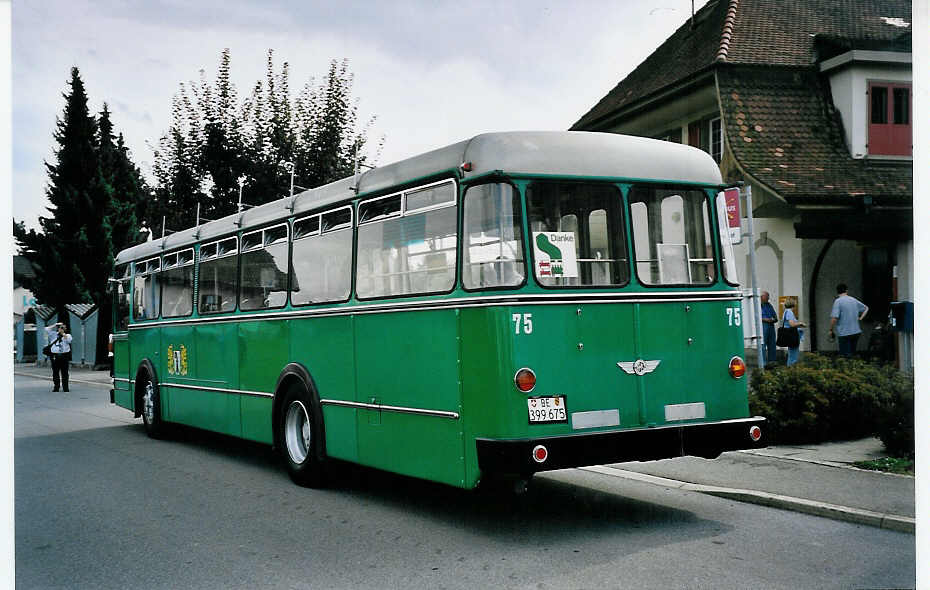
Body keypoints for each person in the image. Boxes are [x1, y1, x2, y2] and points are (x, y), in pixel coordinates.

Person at [829, 283, 868, 357]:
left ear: (837, 292)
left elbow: (834, 318)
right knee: (852, 353)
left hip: (844, 333)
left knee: (844, 356)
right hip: (856, 331)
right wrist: (861, 318)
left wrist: (830, 330)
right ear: (847, 290)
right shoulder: (853, 300)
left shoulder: (838, 301)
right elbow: (866, 308)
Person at [45, 322, 72, 392]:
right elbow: (46, 329)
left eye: (63, 328)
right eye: (60, 327)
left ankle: (65, 387)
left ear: (65, 329)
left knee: (65, 372)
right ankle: (56, 386)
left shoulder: (68, 335)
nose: (61, 329)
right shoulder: (53, 334)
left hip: (64, 355)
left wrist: (63, 333)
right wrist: (55, 325)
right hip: (54, 355)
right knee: (55, 372)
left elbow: (69, 341)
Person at [782, 300, 805, 366]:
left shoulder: (785, 312)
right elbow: (791, 324)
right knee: (793, 354)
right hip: (792, 335)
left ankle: (790, 367)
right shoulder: (789, 312)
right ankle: (791, 369)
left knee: (791, 353)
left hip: (789, 334)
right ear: (793, 305)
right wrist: (800, 324)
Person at [760, 291, 777, 365]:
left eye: (768, 297)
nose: (768, 298)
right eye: (767, 297)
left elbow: (775, 316)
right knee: (763, 344)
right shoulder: (758, 305)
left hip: (771, 325)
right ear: (762, 297)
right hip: (763, 326)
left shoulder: (769, 305)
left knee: (772, 344)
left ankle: (772, 361)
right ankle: (763, 363)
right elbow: (756, 317)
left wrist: (774, 319)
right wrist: (765, 319)